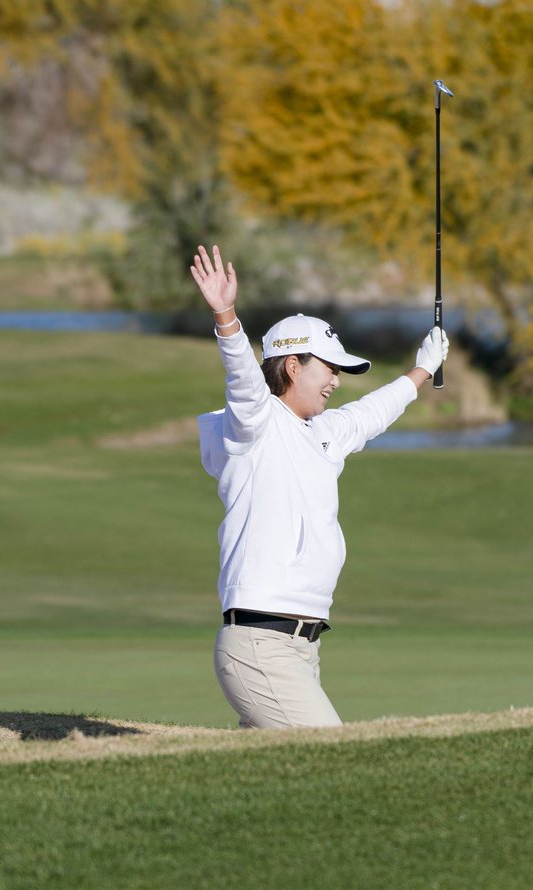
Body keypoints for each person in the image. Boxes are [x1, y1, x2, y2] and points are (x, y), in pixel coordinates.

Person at [191, 244, 449, 729]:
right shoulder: (253, 424)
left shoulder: (322, 433)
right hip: (261, 644)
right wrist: (225, 315)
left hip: (301, 649)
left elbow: (370, 414)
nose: (336, 381)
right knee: (334, 756)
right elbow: (243, 379)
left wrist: (422, 370)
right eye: (330, 369)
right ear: (293, 367)